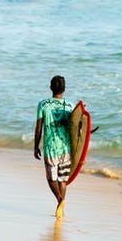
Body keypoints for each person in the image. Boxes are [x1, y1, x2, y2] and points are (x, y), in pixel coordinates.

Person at [34, 75, 74, 219]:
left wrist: (36, 146)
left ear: (51, 88)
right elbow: (76, 131)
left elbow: (39, 129)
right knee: (63, 180)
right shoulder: (70, 106)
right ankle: (60, 211)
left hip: (51, 148)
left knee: (51, 179)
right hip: (66, 148)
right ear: (64, 89)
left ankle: (60, 201)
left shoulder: (43, 105)